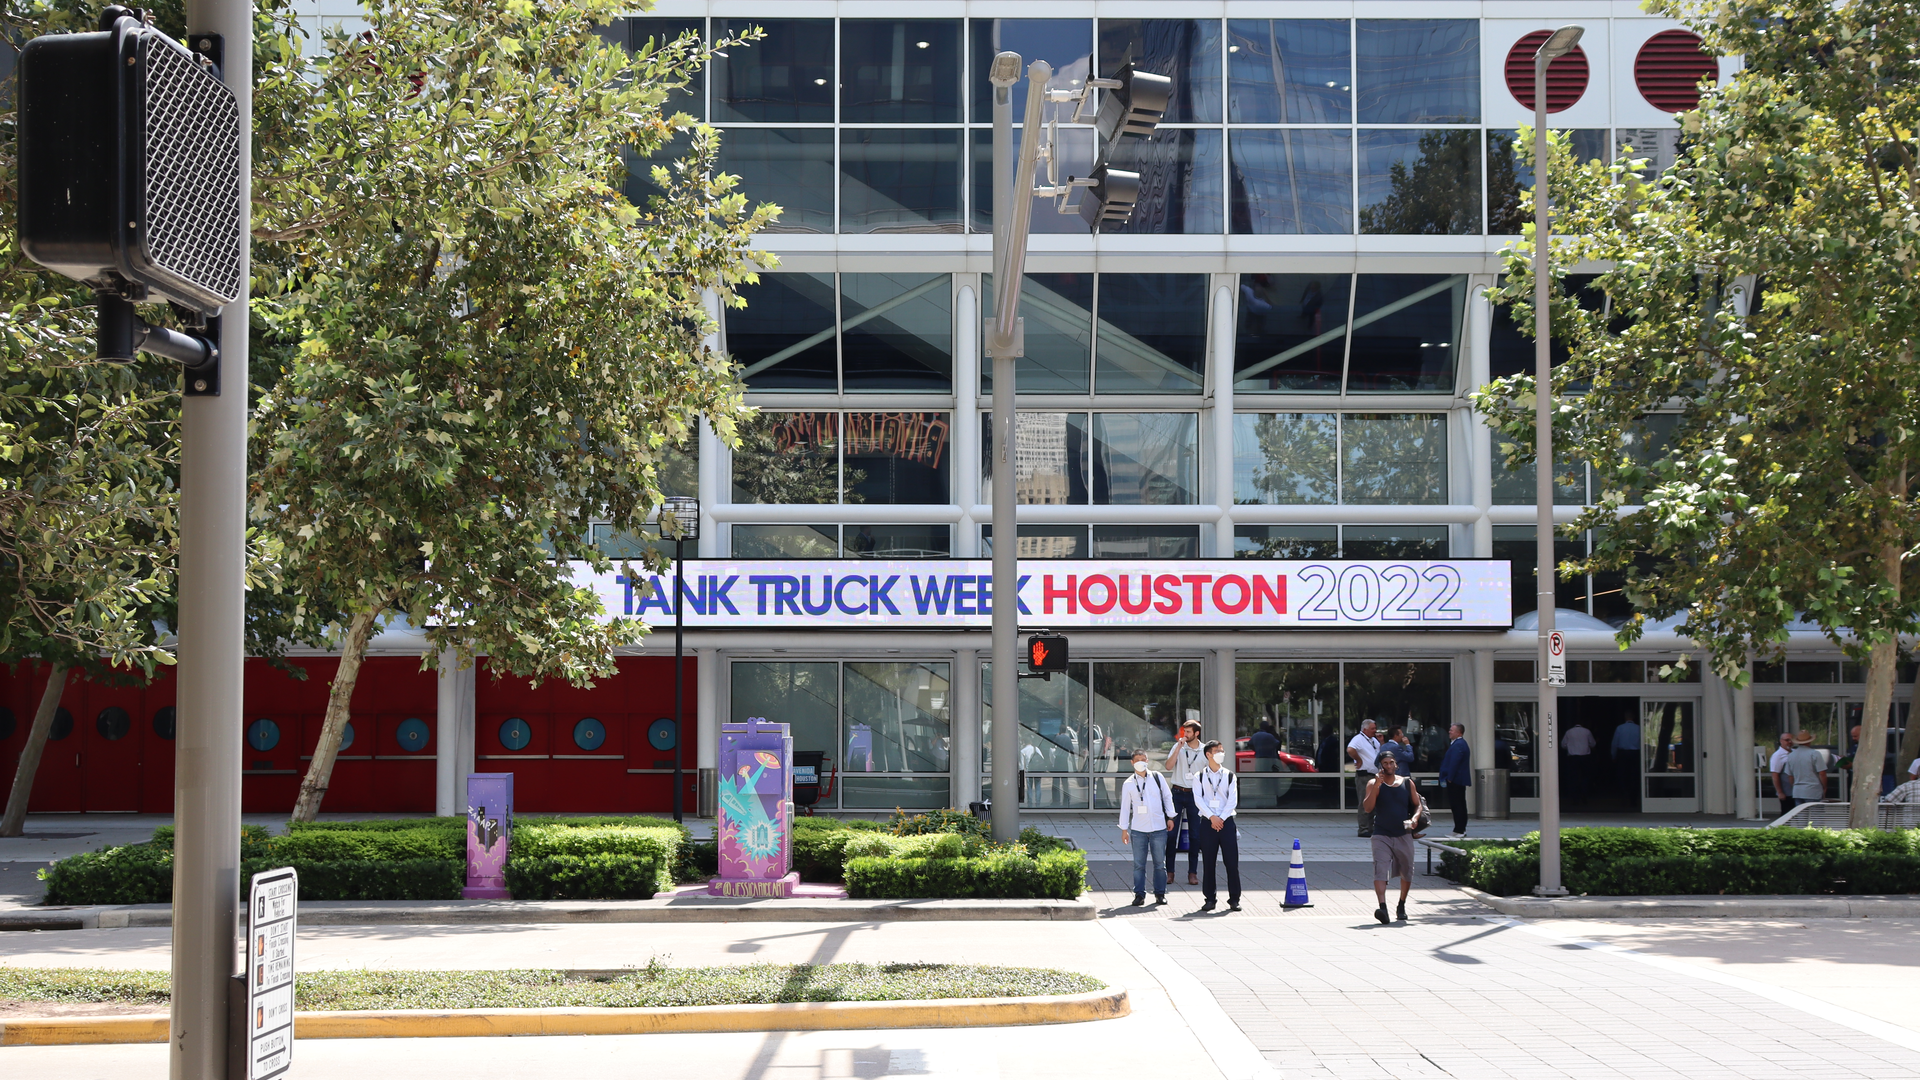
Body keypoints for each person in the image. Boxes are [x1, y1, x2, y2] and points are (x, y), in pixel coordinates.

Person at [1363, 750, 1424, 924]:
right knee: (1380, 869)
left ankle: (1401, 905)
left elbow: (1417, 804)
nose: (1388, 766)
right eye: (1385, 763)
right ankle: (1382, 908)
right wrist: (1377, 785)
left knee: (1407, 870)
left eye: (1391, 763)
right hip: (1381, 834)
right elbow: (1367, 808)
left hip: (1403, 834)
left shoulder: (1407, 783)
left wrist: (1415, 818)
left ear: (1396, 764)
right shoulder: (1373, 783)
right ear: (1380, 766)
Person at [1117, 750, 1178, 906]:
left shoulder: (1157, 777)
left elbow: (1167, 796)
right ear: (1132, 762)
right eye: (1137, 760)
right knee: (1139, 864)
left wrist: (1171, 816)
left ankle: (1160, 893)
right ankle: (1139, 894)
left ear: (1147, 760)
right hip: (1138, 830)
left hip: (1158, 827)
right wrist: (1124, 829)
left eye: (1143, 759)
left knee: (1159, 863)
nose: (1141, 762)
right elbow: (1125, 808)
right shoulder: (1129, 783)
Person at [1193, 740, 1241, 912]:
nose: (1221, 753)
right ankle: (1210, 898)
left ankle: (1234, 899)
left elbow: (1232, 800)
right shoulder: (1199, 776)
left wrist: (1221, 818)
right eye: (1217, 751)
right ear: (1208, 754)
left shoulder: (1229, 775)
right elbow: (1198, 800)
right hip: (1208, 822)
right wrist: (1212, 817)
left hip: (1226, 822)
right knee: (1208, 861)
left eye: (1222, 750)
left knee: (1231, 862)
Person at [1164, 721, 1207, 886]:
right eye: (1184, 731)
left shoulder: (1204, 750)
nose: (1185, 735)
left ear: (1196, 734)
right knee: (1171, 834)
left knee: (1195, 836)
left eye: (1188, 732)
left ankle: (1192, 873)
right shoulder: (1178, 747)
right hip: (1176, 793)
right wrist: (1178, 748)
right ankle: (1170, 872)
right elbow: (1168, 766)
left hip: (1195, 796)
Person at [1437, 723, 1473, 838]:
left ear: (1459, 732)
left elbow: (1454, 763)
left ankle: (1459, 830)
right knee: (1458, 804)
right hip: (1456, 779)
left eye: (1452, 730)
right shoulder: (1457, 744)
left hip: (1456, 780)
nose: (1449, 732)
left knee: (1458, 805)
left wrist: (1450, 778)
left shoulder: (1459, 745)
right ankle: (1459, 829)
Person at [1347, 719, 1382, 837]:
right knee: (1364, 801)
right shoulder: (1358, 739)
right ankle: (1363, 828)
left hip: (1374, 776)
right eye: (1372, 728)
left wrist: (1381, 742)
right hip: (1364, 775)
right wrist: (1359, 759)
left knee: (1373, 802)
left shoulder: (1373, 740)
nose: (1375, 731)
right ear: (1365, 729)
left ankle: (1370, 827)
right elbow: (1350, 749)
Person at [1783, 730, 1828, 807]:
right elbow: (1822, 773)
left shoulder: (1791, 755)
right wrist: (1825, 786)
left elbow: (1790, 776)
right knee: (1814, 817)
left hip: (1797, 791)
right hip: (1813, 791)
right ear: (1809, 741)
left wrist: (1794, 785)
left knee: (1802, 817)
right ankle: (1811, 820)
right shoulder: (1814, 754)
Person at [1768, 732, 1795, 817]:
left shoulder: (1795, 752)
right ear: (1781, 741)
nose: (1790, 742)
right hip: (1786, 791)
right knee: (1786, 814)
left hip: (1795, 790)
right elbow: (1775, 775)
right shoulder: (1777, 756)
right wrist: (1780, 792)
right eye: (1787, 740)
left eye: (1791, 740)